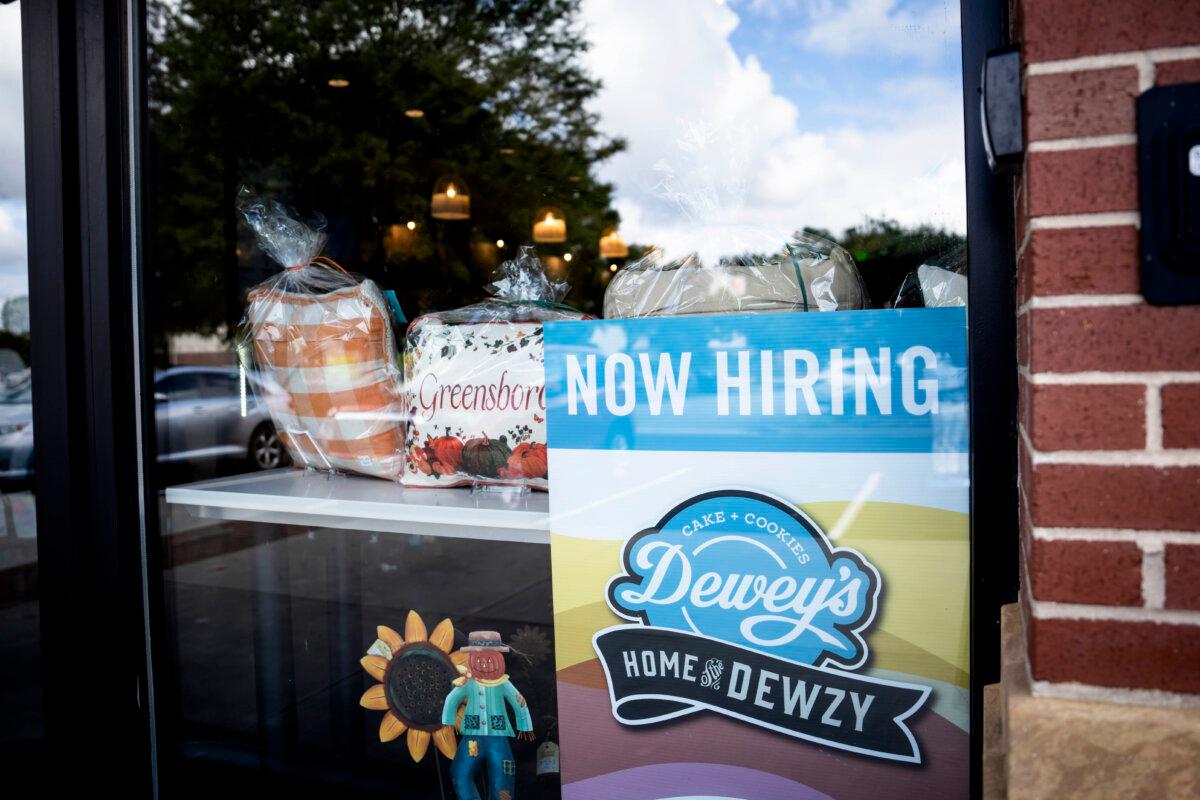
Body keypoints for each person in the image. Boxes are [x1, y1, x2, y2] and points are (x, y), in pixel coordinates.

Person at [441, 631, 534, 800]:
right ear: (472, 659)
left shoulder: (503, 683)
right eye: (479, 660)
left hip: (497, 737)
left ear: (498, 659)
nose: (484, 664)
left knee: (503, 774)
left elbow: (518, 701)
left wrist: (525, 725)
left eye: (489, 660)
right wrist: (447, 721)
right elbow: (452, 699)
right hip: (473, 738)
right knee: (460, 773)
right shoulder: (468, 682)